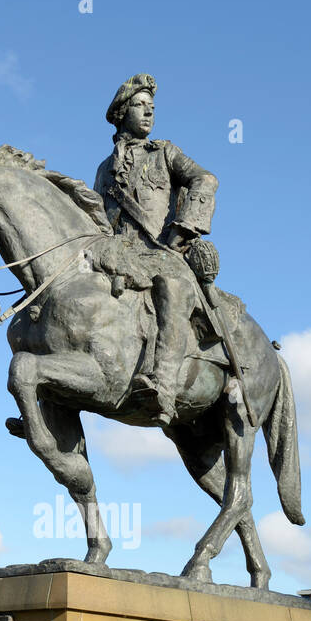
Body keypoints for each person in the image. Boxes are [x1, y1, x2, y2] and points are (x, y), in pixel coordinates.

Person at [93, 74, 218, 425]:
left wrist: (185, 228)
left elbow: (205, 179)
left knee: (171, 287)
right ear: (121, 112)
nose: (148, 113)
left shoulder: (165, 152)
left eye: (152, 107)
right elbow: (98, 218)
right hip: (116, 255)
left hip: (160, 253)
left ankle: (163, 385)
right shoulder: (104, 169)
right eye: (140, 105)